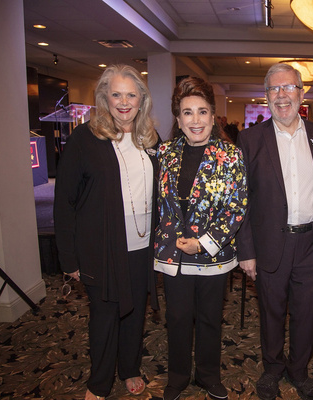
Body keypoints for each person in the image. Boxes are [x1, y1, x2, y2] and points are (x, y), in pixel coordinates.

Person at [54, 64, 159, 400]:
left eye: (131, 94)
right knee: (104, 316)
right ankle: (98, 382)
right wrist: (69, 257)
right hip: (101, 246)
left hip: (142, 246)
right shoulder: (85, 138)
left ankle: (129, 368)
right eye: (116, 94)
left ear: (142, 100)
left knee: (134, 312)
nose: (124, 102)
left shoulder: (151, 138)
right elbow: (64, 202)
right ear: (104, 98)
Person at [236, 63, 313, 400]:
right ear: (266, 97)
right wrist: (246, 250)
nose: (282, 95)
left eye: (289, 88)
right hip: (269, 243)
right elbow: (243, 200)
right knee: (271, 311)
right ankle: (272, 368)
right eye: (274, 89)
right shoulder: (250, 139)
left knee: (308, 312)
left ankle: (299, 371)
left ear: (301, 93)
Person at [154, 76, 247, 400]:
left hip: (212, 255)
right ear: (178, 119)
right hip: (174, 255)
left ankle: (208, 375)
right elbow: (158, 203)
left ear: (213, 116)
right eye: (188, 113)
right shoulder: (164, 153)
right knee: (177, 318)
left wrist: (205, 242)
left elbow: (236, 206)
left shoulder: (231, 155)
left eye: (202, 112)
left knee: (209, 319)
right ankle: (177, 377)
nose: (196, 120)